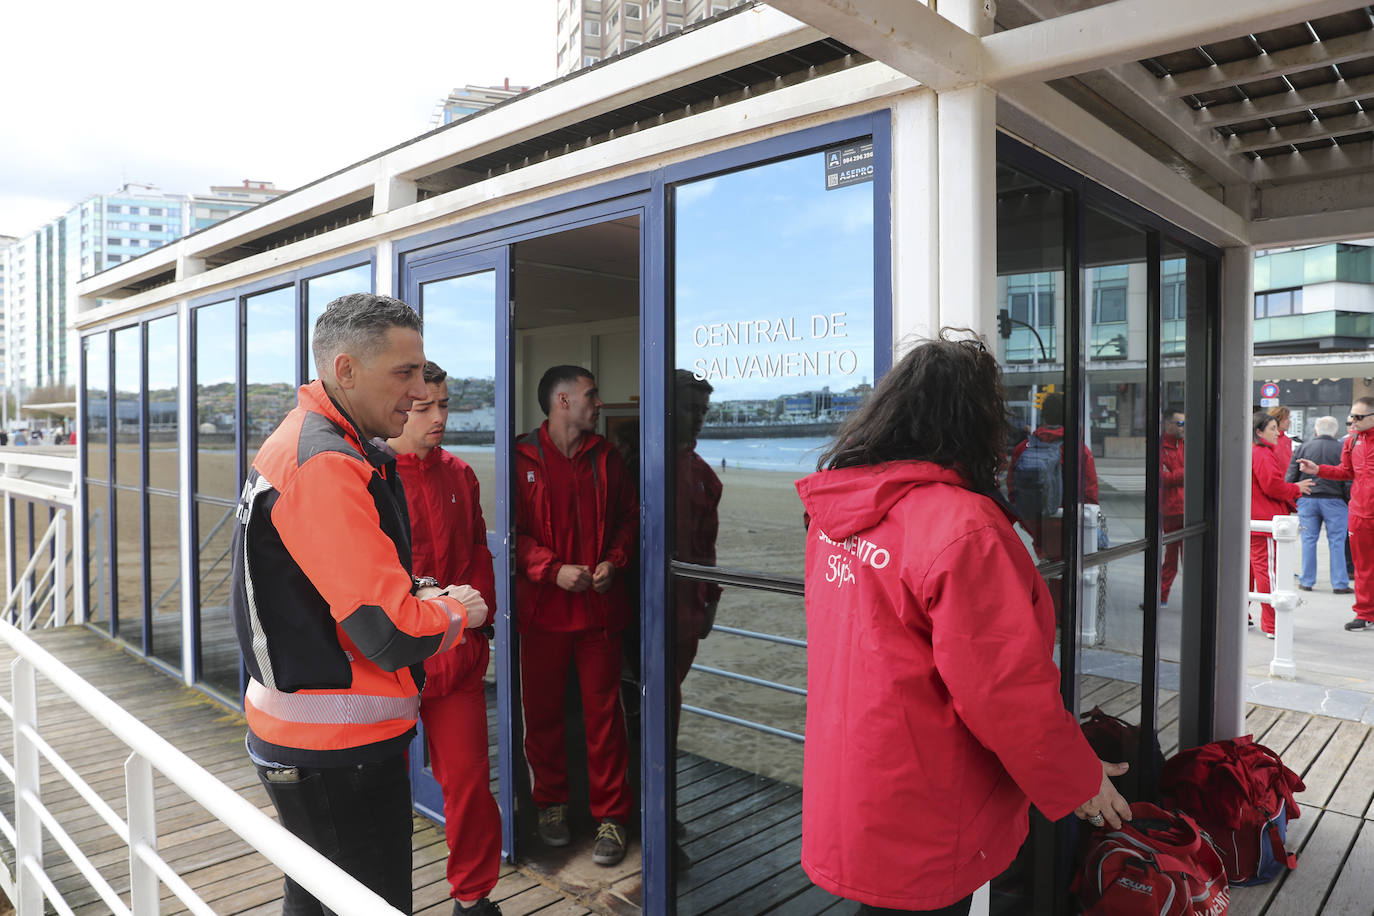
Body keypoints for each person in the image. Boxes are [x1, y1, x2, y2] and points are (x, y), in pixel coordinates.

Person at [795, 333, 1131, 915]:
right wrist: (1080, 780)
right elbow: (1004, 689)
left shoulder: (837, 514)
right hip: (927, 794)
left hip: (855, 776)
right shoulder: (962, 527)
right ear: (974, 422)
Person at [229, 293, 487, 915]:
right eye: (404, 373)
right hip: (335, 749)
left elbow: (324, 581)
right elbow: (389, 635)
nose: (417, 389)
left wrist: (420, 591)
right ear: (345, 371)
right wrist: (461, 612)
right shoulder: (327, 464)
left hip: (306, 734)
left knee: (316, 899)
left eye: (423, 372)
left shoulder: (304, 441)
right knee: (369, 904)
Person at [387, 361, 503, 916]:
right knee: (377, 792)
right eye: (425, 407)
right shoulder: (370, 474)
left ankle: (474, 898)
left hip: (456, 658)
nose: (439, 416)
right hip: (389, 666)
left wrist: (479, 614)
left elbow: (479, 550)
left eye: (444, 404)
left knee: (471, 787)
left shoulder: (461, 473)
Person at [514, 365, 637, 866]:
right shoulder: (522, 455)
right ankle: (551, 806)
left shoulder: (606, 457)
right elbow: (509, 533)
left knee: (604, 718)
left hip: (598, 614)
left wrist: (616, 562)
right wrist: (551, 570)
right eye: (591, 395)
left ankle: (612, 816)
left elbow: (630, 518)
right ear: (562, 401)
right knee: (541, 716)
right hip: (543, 612)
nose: (598, 403)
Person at [672, 370, 723, 741]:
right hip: (629, 614)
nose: (699, 419)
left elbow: (707, 550)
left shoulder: (706, 476)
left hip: (684, 615)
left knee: (667, 702)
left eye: (703, 411)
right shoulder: (631, 462)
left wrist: (710, 606)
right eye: (691, 409)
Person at [1301, 397, 1374, 631]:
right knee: (1362, 567)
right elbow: (1345, 472)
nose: (1352, 421)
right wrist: (1318, 469)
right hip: (1359, 514)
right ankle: (1364, 614)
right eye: (1351, 416)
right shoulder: (1350, 442)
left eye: (1358, 417)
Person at [1007, 391, 1099, 560]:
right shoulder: (1079, 450)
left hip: (1037, 526)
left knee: (1048, 569)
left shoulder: (1022, 448)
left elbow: (1013, 493)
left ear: (1044, 416)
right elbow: (1090, 495)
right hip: (1067, 528)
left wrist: (1030, 523)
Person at [1253, 411, 1313, 638]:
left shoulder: (1255, 451)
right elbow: (1272, 486)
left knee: (1256, 571)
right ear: (1259, 432)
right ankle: (1272, 625)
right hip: (1266, 519)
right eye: (1272, 429)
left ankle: (1251, 618)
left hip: (1259, 518)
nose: (1278, 433)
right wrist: (1296, 488)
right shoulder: (1262, 453)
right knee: (1268, 573)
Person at [1286, 415, 1351, 595]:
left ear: (1315, 431)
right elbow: (1348, 478)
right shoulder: (1342, 448)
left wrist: (1294, 498)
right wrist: (1347, 500)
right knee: (1337, 541)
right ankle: (1339, 583)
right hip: (1335, 500)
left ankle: (1306, 581)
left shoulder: (1303, 448)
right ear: (1336, 431)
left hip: (1308, 498)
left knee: (1308, 540)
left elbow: (1291, 475)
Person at [1159, 406, 1186, 607]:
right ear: (1168, 424)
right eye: (1180, 423)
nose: (1183, 427)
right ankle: (1161, 596)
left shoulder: (1185, 444)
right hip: (1170, 509)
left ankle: (1195, 598)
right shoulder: (1161, 448)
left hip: (1187, 509)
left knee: (1191, 558)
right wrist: (1186, 472)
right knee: (1170, 558)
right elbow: (1164, 479)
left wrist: (1176, 474)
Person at [1268, 405, 1296, 470]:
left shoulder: (1287, 440)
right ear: (1277, 419)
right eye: (1286, 419)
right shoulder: (1268, 439)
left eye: (1289, 418)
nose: (1289, 421)